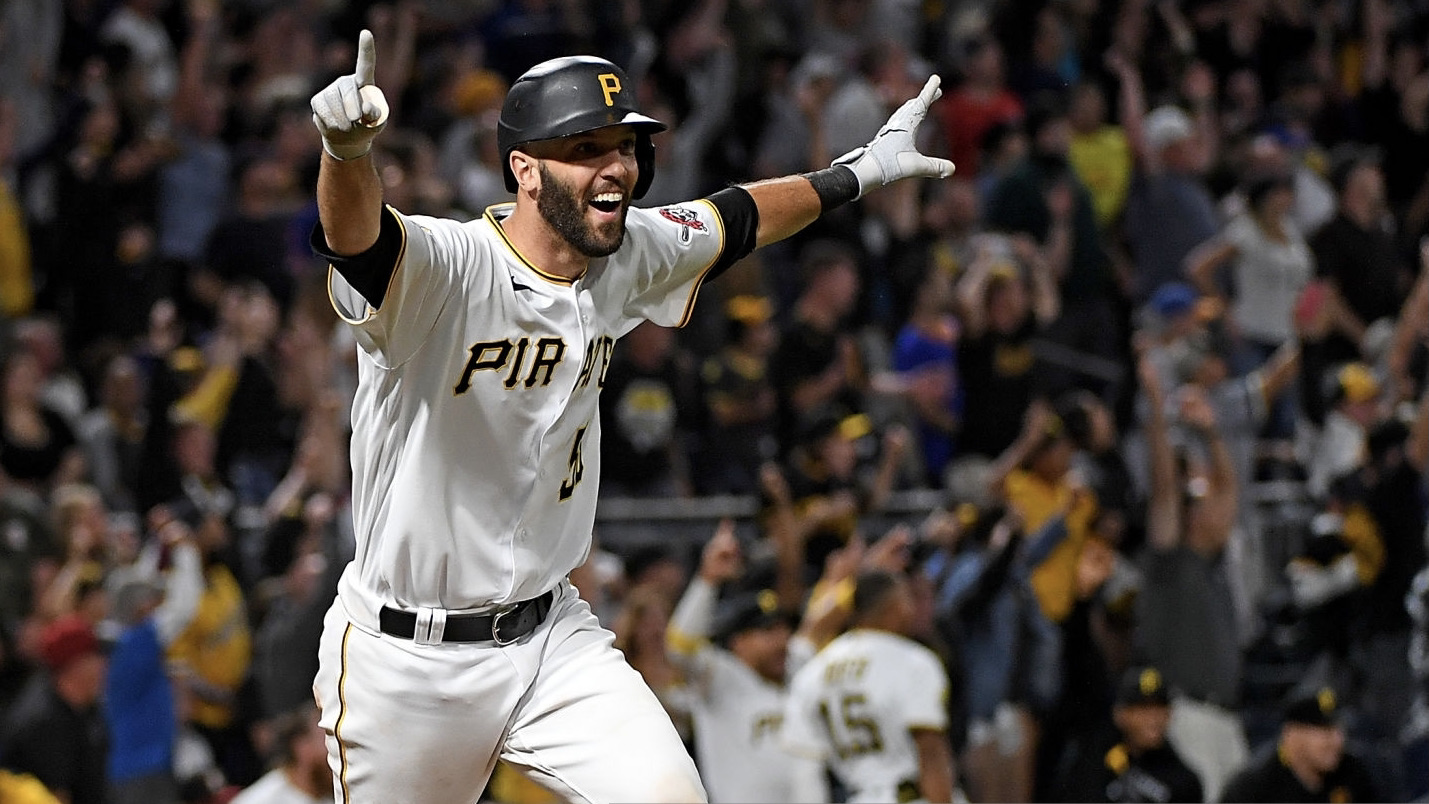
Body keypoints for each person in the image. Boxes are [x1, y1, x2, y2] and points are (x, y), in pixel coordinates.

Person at [306, 30, 953, 804]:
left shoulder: (627, 249)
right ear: (524, 167)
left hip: (551, 637)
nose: (615, 167)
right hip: (407, 655)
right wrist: (346, 155)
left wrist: (860, 170)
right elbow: (359, 243)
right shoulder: (450, 265)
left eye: (625, 146)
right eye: (585, 148)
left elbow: (735, 217)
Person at [666, 520, 826, 803]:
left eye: (782, 630)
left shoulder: (796, 666)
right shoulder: (721, 678)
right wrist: (707, 580)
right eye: (767, 632)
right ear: (738, 641)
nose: (781, 641)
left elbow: (819, 624)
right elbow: (679, 646)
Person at [783, 570, 957, 803]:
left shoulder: (813, 671)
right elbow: (930, 754)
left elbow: (806, 767)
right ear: (894, 607)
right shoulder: (913, 661)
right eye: (907, 599)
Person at [0, 615, 109, 804]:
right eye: (96, 657)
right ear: (76, 665)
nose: (104, 665)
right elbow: (54, 796)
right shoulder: (44, 720)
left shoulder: (84, 706)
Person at [1058, 666, 1205, 803]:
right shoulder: (1093, 758)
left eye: (1160, 708)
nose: (1153, 719)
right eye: (1143, 708)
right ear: (1120, 714)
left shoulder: (1183, 779)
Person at [1219, 688, 1379, 803]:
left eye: (1339, 730)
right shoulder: (1255, 787)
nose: (1337, 741)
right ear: (1292, 734)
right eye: (1325, 732)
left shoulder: (1353, 773)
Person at [229, 705, 331, 804]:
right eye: (329, 743)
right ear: (302, 747)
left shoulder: (334, 795)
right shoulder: (262, 799)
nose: (340, 757)